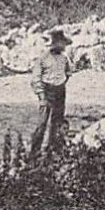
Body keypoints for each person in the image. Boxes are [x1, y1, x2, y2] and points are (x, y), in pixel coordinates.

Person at [29, 29, 72, 157]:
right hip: (47, 91)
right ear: (55, 44)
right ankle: (34, 152)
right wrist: (42, 96)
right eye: (61, 43)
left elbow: (68, 72)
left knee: (57, 121)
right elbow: (36, 79)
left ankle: (53, 149)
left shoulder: (64, 59)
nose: (63, 46)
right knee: (42, 122)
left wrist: (61, 83)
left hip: (60, 91)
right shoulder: (43, 59)